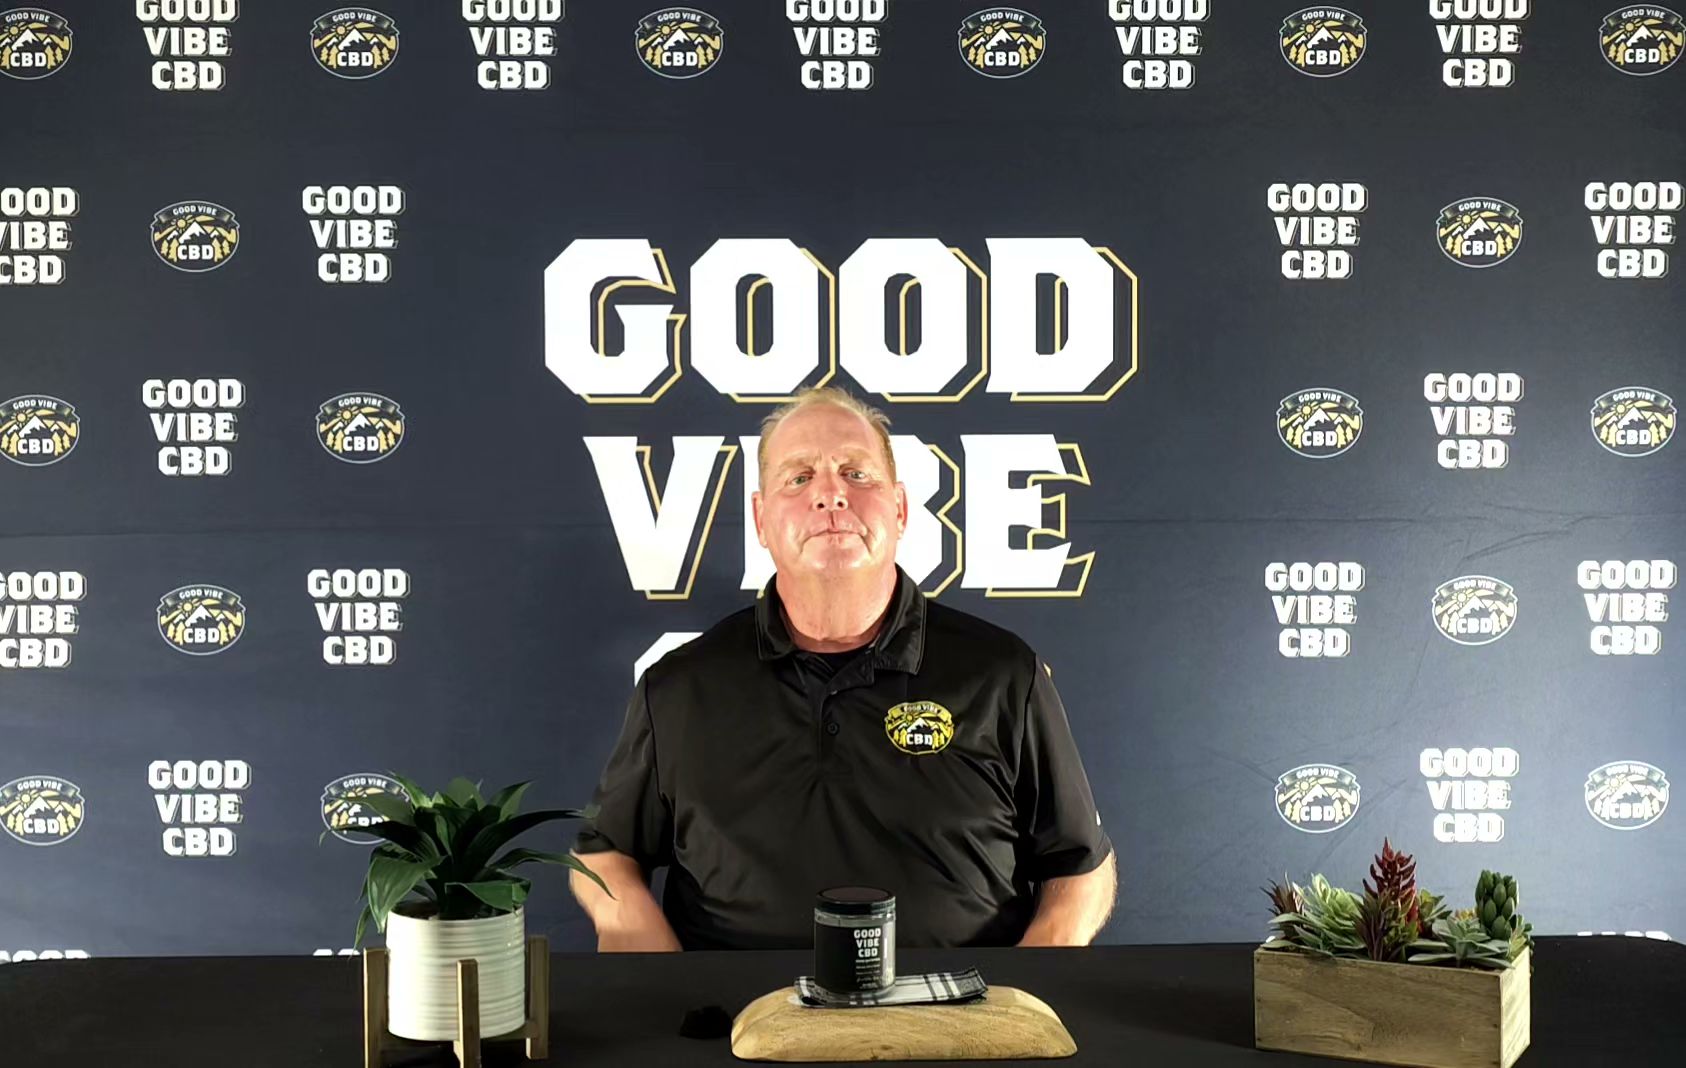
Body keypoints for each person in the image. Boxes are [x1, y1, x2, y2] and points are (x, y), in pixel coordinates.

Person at [569, 385, 1116, 951]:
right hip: (734, 1008)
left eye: (856, 474)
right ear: (760, 519)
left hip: (957, 1005)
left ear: (900, 508)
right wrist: (652, 965)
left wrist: (1020, 993)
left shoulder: (1003, 673)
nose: (830, 495)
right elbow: (606, 852)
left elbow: (1080, 869)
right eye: (799, 477)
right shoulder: (679, 687)